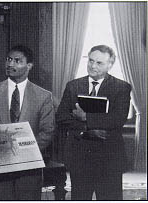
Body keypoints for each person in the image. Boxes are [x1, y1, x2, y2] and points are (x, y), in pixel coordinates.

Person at [0, 45, 55, 200]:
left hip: (29, 171)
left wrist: (22, 154)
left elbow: (47, 132)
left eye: (17, 61)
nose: (10, 64)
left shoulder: (43, 96)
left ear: (29, 66)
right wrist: (2, 153)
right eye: (8, 59)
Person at [56, 45, 132, 200]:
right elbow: (62, 117)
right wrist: (86, 130)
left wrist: (85, 117)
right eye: (91, 60)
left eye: (99, 63)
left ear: (110, 65)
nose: (93, 66)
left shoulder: (121, 87)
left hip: (109, 159)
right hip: (80, 157)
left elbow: (118, 119)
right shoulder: (73, 86)